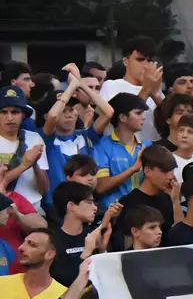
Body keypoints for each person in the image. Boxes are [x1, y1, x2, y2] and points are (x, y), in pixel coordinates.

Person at [41, 66, 113, 196]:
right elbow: (52, 116)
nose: (69, 115)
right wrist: (70, 88)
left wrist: (79, 83)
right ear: (45, 116)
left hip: (84, 203)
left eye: (72, 109)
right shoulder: (46, 138)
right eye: (63, 111)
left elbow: (108, 112)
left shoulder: (85, 136)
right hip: (56, 206)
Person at [98, 36, 165, 145]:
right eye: (140, 59)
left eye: (149, 60)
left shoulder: (155, 89)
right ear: (126, 61)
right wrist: (146, 89)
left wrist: (156, 95)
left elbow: (172, 123)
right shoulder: (111, 86)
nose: (145, 65)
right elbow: (120, 119)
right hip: (119, 148)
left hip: (151, 149)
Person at [49, 183, 113, 285]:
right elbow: (63, 280)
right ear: (71, 206)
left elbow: (108, 277)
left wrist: (102, 250)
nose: (95, 208)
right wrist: (85, 254)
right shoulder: (52, 240)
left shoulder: (93, 235)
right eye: (89, 202)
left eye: (94, 203)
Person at [92, 93, 150, 205]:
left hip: (142, 212)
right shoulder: (101, 146)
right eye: (138, 113)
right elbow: (100, 187)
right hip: (112, 212)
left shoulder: (148, 145)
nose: (143, 117)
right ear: (122, 117)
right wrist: (133, 168)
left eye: (143, 113)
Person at [0, 85, 47, 206]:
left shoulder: (35, 138)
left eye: (15, 112)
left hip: (33, 208)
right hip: (4, 212)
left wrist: (35, 164)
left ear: (23, 115)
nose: (9, 117)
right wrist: (25, 164)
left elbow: (44, 189)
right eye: (3, 112)